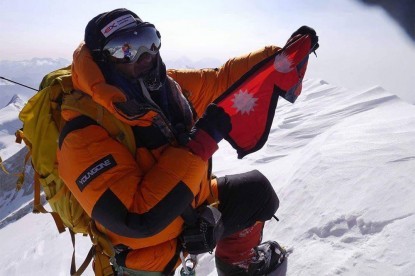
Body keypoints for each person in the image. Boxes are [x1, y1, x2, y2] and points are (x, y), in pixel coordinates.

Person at [57, 8, 286, 275]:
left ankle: (238, 264)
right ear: (103, 61)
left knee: (256, 194)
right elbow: (137, 218)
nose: (145, 56)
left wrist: (277, 58)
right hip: (147, 253)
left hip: (189, 208)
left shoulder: (166, 88)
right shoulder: (82, 133)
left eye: (148, 40)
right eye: (126, 49)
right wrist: (200, 145)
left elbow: (220, 81)